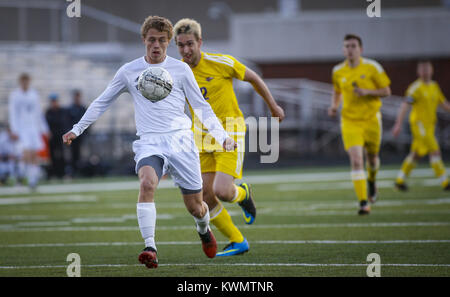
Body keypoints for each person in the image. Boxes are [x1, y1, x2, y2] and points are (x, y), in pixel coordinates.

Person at [62, 16, 237, 268]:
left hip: (181, 142)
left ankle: (203, 228)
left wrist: (223, 137)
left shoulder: (181, 69)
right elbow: (102, 101)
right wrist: (76, 129)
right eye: (152, 40)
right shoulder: (128, 71)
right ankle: (150, 247)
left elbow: (202, 108)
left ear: (169, 43)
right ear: (143, 39)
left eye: (162, 41)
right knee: (147, 183)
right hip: (150, 142)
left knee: (196, 207)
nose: (156, 45)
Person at [173, 18, 285, 256]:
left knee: (223, 191)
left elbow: (253, 78)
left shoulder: (220, 62)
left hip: (229, 131)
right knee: (204, 195)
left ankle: (243, 193)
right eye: (180, 45)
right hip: (200, 137)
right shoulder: (176, 71)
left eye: (190, 44)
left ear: (200, 42)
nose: (185, 50)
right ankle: (238, 240)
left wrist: (273, 107)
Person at [328, 34, 391, 215]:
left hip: (372, 119)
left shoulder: (373, 67)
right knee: (356, 160)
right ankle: (363, 203)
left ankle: (371, 179)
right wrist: (333, 106)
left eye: (353, 46)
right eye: (346, 46)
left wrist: (367, 92)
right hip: (349, 121)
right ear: (343, 49)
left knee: (372, 158)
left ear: (360, 49)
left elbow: (387, 91)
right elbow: (337, 91)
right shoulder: (338, 71)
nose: (350, 49)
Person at [392, 60, 450, 191]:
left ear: (432, 70)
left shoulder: (434, 86)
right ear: (418, 72)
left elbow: (444, 103)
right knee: (435, 151)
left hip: (430, 125)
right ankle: (445, 183)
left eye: (427, 69)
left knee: (415, 154)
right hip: (419, 125)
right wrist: (398, 124)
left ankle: (399, 180)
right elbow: (405, 105)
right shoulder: (415, 88)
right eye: (423, 69)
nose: (425, 72)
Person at [8, 73, 49, 190]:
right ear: (20, 82)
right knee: (25, 154)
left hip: (33, 128)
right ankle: (19, 176)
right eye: (23, 81)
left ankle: (32, 180)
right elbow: (13, 113)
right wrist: (14, 129)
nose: (25, 83)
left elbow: (38, 113)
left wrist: (44, 128)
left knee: (34, 155)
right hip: (21, 129)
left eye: (27, 81)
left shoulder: (34, 94)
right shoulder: (15, 95)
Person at [45, 93, 68, 179]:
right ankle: (53, 174)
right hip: (52, 138)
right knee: (52, 156)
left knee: (62, 155)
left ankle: (62, 174)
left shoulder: (62, 111)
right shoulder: (48, 112)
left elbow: (64, 124)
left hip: (61, 137)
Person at [67, 89, 87, 176]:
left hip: (81, 136)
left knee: (81, 154)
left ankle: (81, 172)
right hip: (73, 136)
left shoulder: (83, 108)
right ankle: (74, 172)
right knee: (73, 154)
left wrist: (85, 134)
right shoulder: (70, 109)